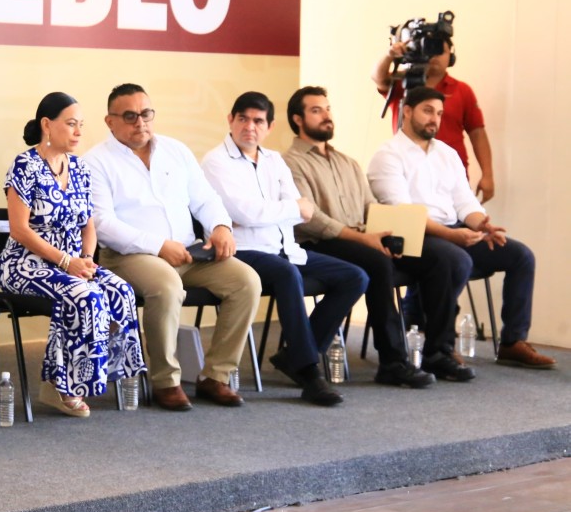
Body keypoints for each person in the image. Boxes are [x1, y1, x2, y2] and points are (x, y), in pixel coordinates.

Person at [84, 84, 261, 410]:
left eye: (146, 113)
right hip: (129, 256)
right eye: (130, 116)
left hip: (189, 252)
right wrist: (158, 246)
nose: (141, 122)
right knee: (167, 287)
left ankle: (216, 376)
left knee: (246, 281)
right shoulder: (95, 161)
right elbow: (102, 223)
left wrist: (220, 227)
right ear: (110, 121)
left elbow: (205, 199)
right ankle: (166, 381)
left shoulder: (175, 150)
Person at [367, 86, 555, 371]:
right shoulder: (388, 155)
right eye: (428, 111)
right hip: (411, 236)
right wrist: (452, 235)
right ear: (407, 111)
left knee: (520, 255)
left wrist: (483, 224)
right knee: (455, 259)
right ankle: (438, 351)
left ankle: (512, 342)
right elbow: (403, 213)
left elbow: (464, 201)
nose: (435, 119)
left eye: (439, 113)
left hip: (453, 231)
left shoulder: (447, 153)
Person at [201, 92, 368, 406]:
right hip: (244, 251)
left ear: (270, 126)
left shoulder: (274, 160)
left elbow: (305, 210)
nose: (250, 127)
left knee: (355, 277)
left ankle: (296, 353)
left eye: (258, 121)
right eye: (243, 119)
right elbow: (246, 213)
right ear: (230, 121)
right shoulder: (215, 162)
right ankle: (309, 373)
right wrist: (288, 207)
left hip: (286, 248)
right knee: (286, 274)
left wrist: (282, 208)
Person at [284, 85, 452, 388]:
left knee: (436, 258)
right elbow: (309, 219)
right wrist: (363, 239)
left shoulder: (347, 162)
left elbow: (370, 207)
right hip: (318, 243)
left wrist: (392, 236)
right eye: (316, 110)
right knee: (376, 262)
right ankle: (392, 361)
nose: (326, 116)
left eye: (328, 109)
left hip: (359, 239)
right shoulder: (289, 163)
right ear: (298, 119)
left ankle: (439, 352)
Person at [0, 92, 147, 418]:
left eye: (81, 125)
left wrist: (87, 260)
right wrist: (67, 263)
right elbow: (19, 230)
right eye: (71, 124)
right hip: (25, 263)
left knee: (121, 290)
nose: (78, 131)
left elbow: (87, 225)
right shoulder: (25, 166)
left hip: (72, 262)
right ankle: (64, 386)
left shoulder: (79, 167)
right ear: (47, 125)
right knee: (84, 294)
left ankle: (108, 375)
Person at [372, 31, 494, 202]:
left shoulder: (462, 90)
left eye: (440, 50)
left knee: (459, 217)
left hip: (451, 175)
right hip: (408, 172)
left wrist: (487, 174)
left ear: (451, 57)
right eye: (429, 49)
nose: (434, 55)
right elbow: (378, 78)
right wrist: (390, 55)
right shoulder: (403, 84)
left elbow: (477, 133)